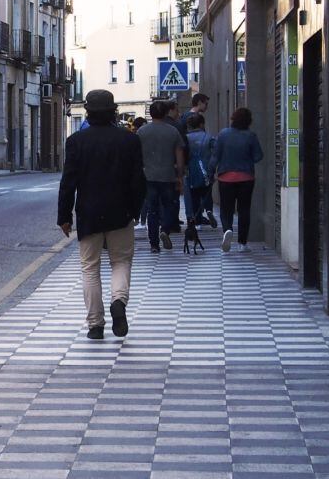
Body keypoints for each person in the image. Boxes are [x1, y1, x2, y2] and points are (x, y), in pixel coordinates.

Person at [58, 90, 146, 340]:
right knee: (120, 261)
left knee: (89, 268)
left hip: (89, 212)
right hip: (122, 211)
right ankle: (119, 300)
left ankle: (95, 325)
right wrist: (136, 210)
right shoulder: (129, 140)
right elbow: (138, 180)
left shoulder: (76, 141)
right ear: (113, 112)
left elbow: (68, 182)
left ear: (87, 112)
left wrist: (64, 215)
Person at [211, 107, 264, 252]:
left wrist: (211, 172)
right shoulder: (251, 136)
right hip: (246, 177)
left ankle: (227, 230)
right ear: (249, 121)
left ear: (233, 119)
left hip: (226, 177)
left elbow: (215, 156)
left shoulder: (223, 134)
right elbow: (258, 156)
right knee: (244, 209)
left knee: (226, 209)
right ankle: (242, 243)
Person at [136, 101, 185, 253]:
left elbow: (136, 155)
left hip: (148, 175)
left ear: (150, 114)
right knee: (169, 205)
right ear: (165, 113)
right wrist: (180, 175)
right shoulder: (173, 132)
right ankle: (164, 229)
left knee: (152, 209)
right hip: (168, 175)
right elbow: (179, 155)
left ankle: (154, 244)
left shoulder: (142, 132)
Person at [180, 93, 216, 227]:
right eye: (206, 103)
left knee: (192, 192)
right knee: (206, 189)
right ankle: (208, 209)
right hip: (205, 165)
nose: (207, 106)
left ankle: (194, 217)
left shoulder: (186, 134)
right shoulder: (207, 136)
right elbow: (216, 150)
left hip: (190, 166)